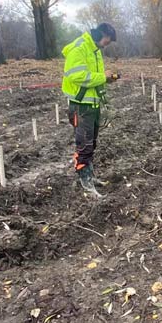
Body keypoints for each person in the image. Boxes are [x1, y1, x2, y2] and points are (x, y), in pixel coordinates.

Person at [61, 22, 119, 196]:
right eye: (108, 39)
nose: (108, 43)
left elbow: (94, 78)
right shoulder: (79, 48)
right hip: (81, 106)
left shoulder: (95, 50)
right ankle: (85, 182)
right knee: (84, 144)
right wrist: (102, 76)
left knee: (91, 143)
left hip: (93, 104)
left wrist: (106, 80)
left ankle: (89, 175)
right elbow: (76, 75)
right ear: (99, 34)